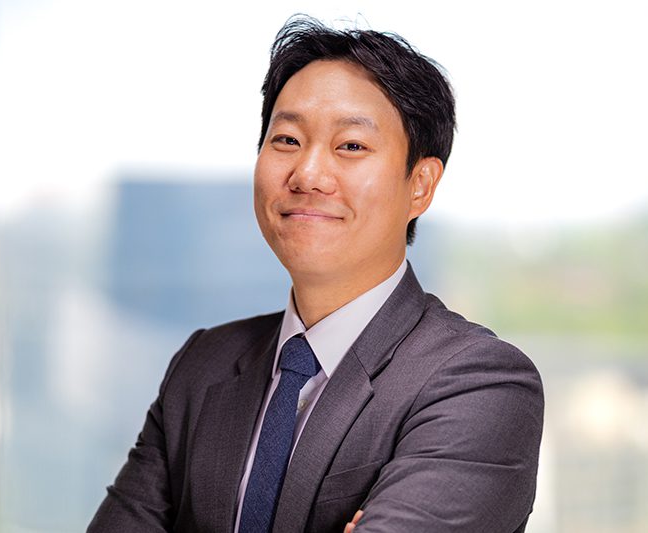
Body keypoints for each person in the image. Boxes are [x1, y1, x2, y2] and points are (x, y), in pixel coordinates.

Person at [88, 15, 543, 533]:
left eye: (351, 146)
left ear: (420, 185)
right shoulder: (202, 365)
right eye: (286, 140)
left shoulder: (480, 385)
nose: (306, 175)